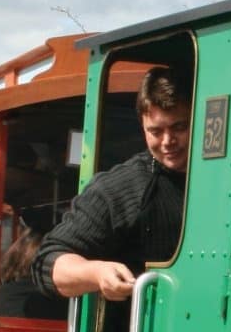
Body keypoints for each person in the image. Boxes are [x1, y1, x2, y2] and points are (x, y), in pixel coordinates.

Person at [32, 67, 188, 304]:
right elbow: (48, 263)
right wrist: (97, 272)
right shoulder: (118, 189)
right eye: (156, 131)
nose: (168, 141)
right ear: (142, 126)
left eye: (179, 127)